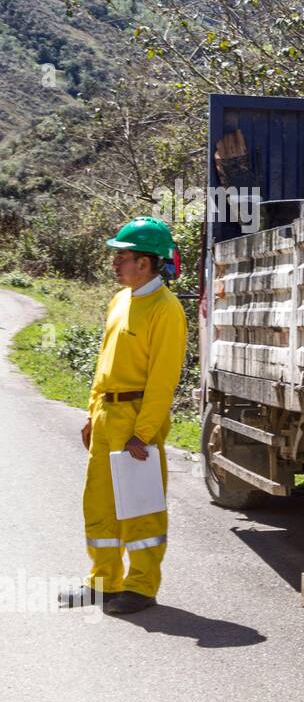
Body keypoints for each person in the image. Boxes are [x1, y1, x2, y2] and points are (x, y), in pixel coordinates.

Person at [59, 217, 187, 613]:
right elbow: (104, 364)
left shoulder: (166, 310)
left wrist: (143, 433)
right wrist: (91, 414)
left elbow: (163, 381)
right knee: (99, 505)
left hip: (135, 420)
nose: (115, 263)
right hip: (105, 417)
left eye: (123, 256)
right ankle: (103, 581)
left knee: (140, 510)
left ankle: (141, 588)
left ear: (145, 263)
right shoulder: (120, 300)